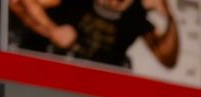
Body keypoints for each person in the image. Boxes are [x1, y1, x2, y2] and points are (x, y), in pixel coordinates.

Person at [9, 0, 178, 69]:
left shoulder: (135, 16)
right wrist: (51, 30)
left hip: (95, 92)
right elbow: (17, 3)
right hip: (51, 74)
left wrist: (170, 16)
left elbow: (168, 58)